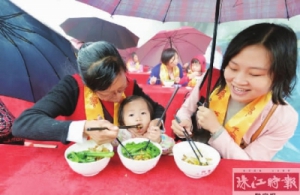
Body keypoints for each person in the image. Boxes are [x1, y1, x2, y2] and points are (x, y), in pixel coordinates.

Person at [171, 23, 298, 161]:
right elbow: (185, 110)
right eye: (233, 67)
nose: (238, 80)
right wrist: (183, 122)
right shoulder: (210, 80)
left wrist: (216, 130)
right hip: (190, 160)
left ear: (280, 76)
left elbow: (248, 166)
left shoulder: (281, 118)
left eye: (255, 74)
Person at [12, 41, 165, 145]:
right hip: (85, 163)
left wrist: (154, 124)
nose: (119, 98)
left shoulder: (130, 84)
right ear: (90, 87)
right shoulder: (71, 87)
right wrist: (84, 128)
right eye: (109, 93)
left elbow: (158, 109)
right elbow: (23, 124)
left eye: (121, 89)